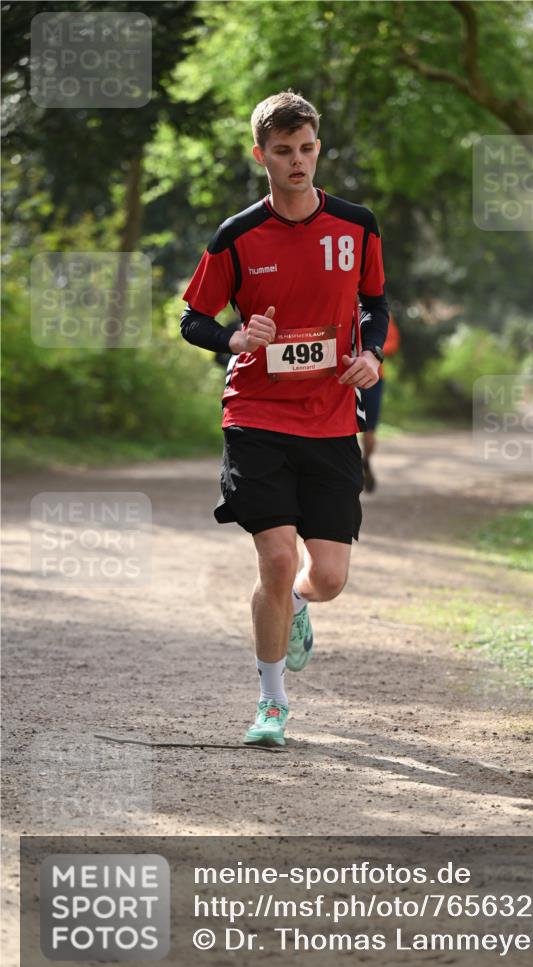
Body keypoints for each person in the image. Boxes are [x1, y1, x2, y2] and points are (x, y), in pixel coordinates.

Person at [180, 91, 388, 748]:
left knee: (325, 577)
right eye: (282, 151)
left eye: (305, 149)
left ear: (317, 148)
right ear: (259, 155)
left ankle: (298, 606)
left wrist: (372, 355)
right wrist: (235, 341)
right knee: (275, 558)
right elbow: (193, 319)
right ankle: (272, 704)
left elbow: (374, 305)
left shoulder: (357, 225)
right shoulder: (236, 236)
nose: (296, 162)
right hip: (256, 415)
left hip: (329, 419)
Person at [360, 313, 400, 492]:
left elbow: (393, 343)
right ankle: (352, 467)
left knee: (369, 429)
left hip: (372, 377)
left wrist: (371, 350)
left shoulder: (377, 310)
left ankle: (366, 461)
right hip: (342, 376)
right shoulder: (338, 302)